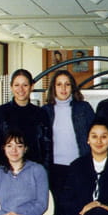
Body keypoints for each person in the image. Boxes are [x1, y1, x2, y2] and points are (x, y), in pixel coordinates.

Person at [42, 70, 94, 204]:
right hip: (54, 169)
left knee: (81, 207)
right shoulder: (45, 111)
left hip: (80, 166)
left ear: (72, 87)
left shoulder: (84, 108)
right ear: (53, 88)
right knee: (59, 209)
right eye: (59, 84)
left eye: (67, 84)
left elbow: (94, 136)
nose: (63, 88)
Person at [0, 68, 51, 172]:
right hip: (6, 171)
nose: (21, 89)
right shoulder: (0, 112)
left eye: (25, 85)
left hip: (34, 172)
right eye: (17, 85)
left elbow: (47, 149)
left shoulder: (41, 114)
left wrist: (45, 174)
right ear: (11, 87)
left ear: (32, 87)